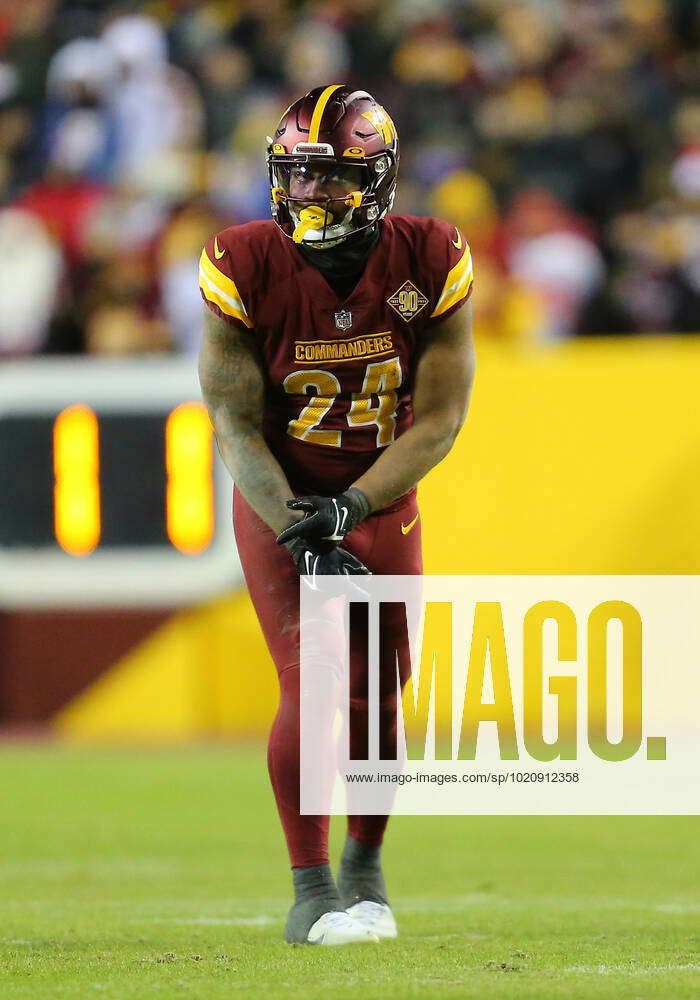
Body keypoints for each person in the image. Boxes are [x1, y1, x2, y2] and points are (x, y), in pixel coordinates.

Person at [198, 84, 475, 945]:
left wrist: (353, 505)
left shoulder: (431, 255)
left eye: (330, 177)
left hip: (378, 492)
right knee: (314, 678)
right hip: (279, 494)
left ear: (380, 176)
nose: (307, 194)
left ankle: (366, 866)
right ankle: (311, 884)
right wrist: (298, 523)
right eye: (295, 176)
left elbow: (438, 419)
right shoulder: (242, 260)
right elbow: (235, 425)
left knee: (384, 691)